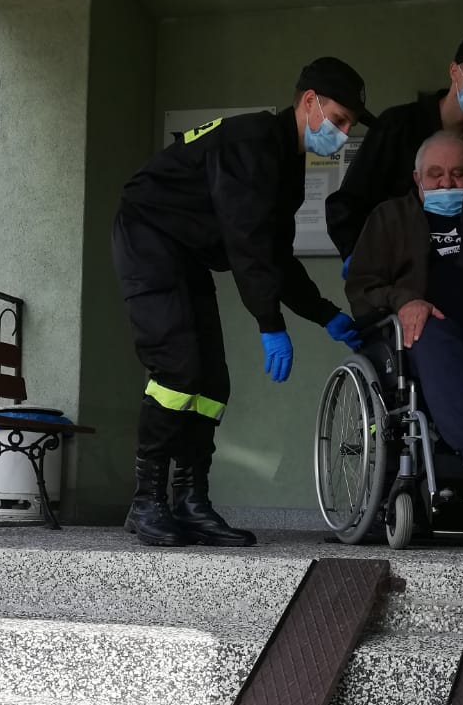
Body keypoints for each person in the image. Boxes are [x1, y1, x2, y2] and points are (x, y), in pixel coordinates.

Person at [113, 57, 371, 548]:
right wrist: (270, 323)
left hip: (184, 252)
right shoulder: (253, 142)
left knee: (212, 382)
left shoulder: (287, 164)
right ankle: (146, 500)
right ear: (309, 101)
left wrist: (325, 314)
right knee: (177, 369)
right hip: (148, 236)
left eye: (349, 126)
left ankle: (190, 502)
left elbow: (275, 256)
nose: (342, 134)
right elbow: (246, 242)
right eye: (338, 120)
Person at [345, 131, 463, 499]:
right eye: (436, 174)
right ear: (417, 178)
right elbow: (361, 288)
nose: (447, 184)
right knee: (429, 330)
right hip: (426, 342)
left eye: (459, 174)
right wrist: (405, 300)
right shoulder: (390, 218)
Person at [325, 31, 463, 265]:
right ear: (454, 71)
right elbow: (349, 201)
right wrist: (356, 257)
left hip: (459, 268)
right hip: (396, 267)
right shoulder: (398, 125)